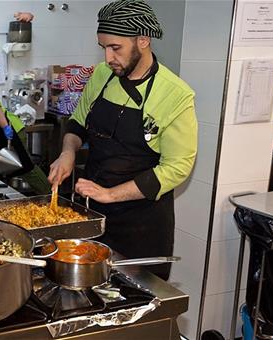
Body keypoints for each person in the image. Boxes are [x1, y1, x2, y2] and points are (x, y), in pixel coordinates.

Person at [48, 0, 197, 280]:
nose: (108, 58)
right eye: (103, 47)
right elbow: (78, 123)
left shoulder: (176, 95)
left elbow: (177, 168)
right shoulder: (103, 75)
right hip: (92, 215)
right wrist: (68, 152)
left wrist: (110, 194)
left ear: (143, 40)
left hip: (141, 226)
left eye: (115, 48)